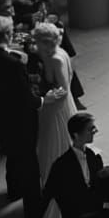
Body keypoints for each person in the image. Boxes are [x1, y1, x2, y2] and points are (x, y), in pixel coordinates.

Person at [0, 15, 43, 218]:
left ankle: (14, 190)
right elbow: (25, 97)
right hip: (20, 121)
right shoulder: (13, 65)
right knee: (29, 163)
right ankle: (34, 210)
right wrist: (41, 101)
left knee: (13, 156)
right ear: (7, 35)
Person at [40, 111, 103, 218]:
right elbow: (50, 192)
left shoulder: (95, 156)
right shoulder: (61, 165)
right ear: (76, 135)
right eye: (90, 129)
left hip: (95, 215)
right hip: (75, 216)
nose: (95, 131)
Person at [34, 22, 79, 190]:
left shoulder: (55, 59)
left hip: (56, 108)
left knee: (53, 143)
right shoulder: (60, 52)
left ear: (44, 43)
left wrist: (47, 98)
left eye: (37, 41)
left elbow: (64, 89)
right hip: (60, 105)